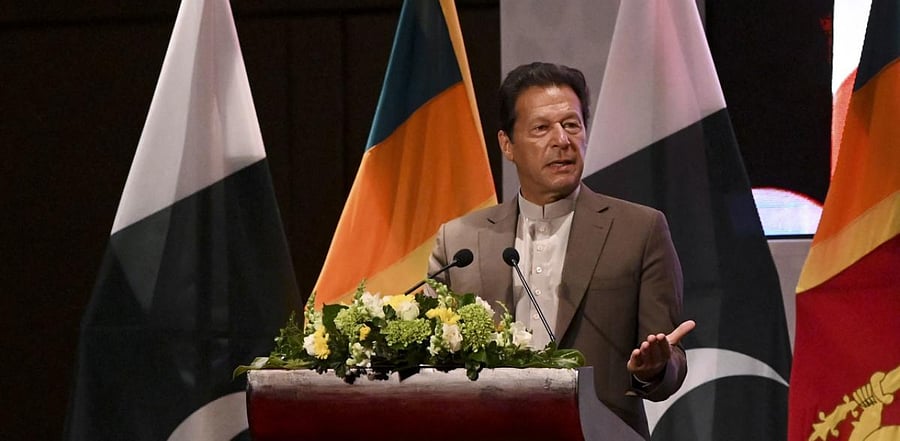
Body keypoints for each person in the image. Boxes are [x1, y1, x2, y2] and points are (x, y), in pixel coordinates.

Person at [428, 61, 695, 439]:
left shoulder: (640, 230)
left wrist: (654, 369)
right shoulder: (460, 242)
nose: (562, 140)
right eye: (541, 128)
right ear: (507, 144)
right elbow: (431, 360)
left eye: (572, 125)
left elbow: (669, 357)